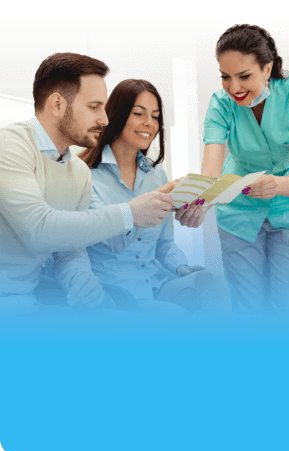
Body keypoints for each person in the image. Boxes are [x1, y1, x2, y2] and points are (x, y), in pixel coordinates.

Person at [0, 53, 174, 315]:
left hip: (27, 301)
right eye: (94, 107)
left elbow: (68, 249)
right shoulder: (10, 145)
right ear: (57, 105)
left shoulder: (78, 171)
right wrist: (130, 213)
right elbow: (39, 229)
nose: (104, 119)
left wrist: (85, 287)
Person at [175, 24, 289, 316]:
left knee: (288, 307)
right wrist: (199, 201)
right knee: (247, 307)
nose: (234, 88)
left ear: (267, 69)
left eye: (244, 76)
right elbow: (211, 170)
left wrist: (276, 186)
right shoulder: (221, 104)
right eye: (225, 77)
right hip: (239, 211)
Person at [52, 78, 231, 315]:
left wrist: (180, 267)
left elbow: (164, 243)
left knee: (213, 282)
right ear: (116, 115)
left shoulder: (156, 175)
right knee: (175, 317)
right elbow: (113, 239)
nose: (149, 123)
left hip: (155, 284)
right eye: (139, 113)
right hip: (114, 291)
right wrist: (157, 197)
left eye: (155, 116)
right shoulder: (83, 175)